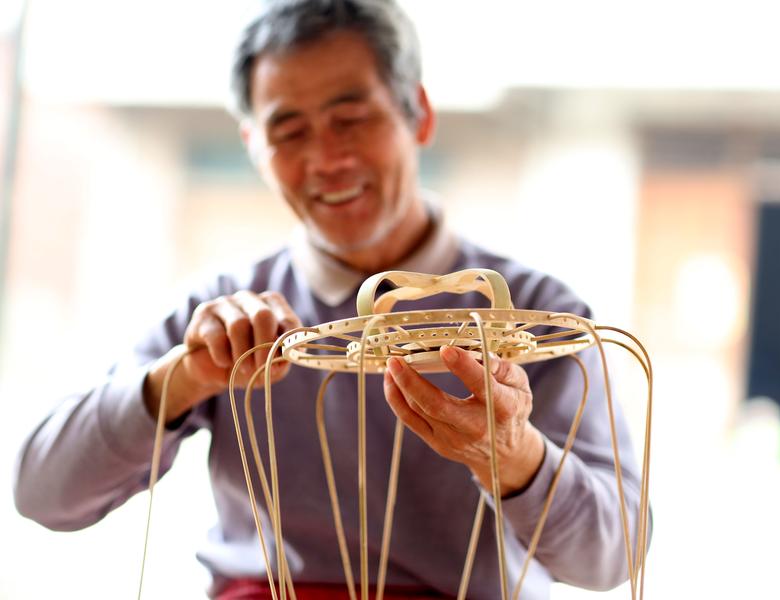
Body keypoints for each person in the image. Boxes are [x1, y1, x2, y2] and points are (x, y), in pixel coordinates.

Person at [13, 1, 646, 598]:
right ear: (254, 148)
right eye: (288, 131)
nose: (327, 158)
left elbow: (613, 558)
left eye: (352, 118)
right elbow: (41, 492)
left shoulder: (534, 316)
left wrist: (513, 455)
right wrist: (180, 382)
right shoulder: (225, 312)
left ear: (418, 115)